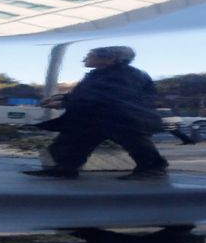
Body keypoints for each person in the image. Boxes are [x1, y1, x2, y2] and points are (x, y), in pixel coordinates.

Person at [26, 46, 169, 180]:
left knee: (135, 143)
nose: (84, 59)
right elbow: (89, 94)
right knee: (72, 141)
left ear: (112, 58)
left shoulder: (126, 74)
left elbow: (112, 97)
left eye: (90, 56)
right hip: (100, 117)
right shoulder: (102, 73)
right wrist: (63, 98)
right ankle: (65, 169)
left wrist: (66, 102)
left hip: (124, 118)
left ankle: (153, 169)